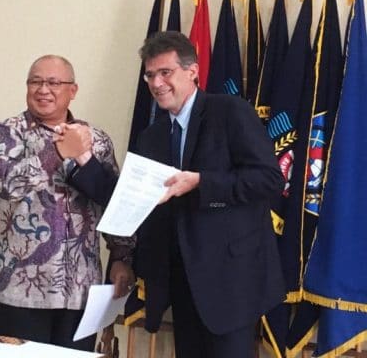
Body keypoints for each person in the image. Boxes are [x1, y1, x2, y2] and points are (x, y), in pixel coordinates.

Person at [68, 31, 286, 357]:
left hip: (231, 283)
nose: (156, 83)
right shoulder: (152, 137)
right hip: (180, 283)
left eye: (165, 72)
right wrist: (83, 158)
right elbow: (127, 198)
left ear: (192, 71)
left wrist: (201, 183)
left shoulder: (229, 112)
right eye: (150, 75)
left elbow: (269, 180)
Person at [0, 55, 135, 351]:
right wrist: (57, 152)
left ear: (72, 90)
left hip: (81, 289)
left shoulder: (96, 139)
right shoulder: (9, 132)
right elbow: (6, 184)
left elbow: (113, 202)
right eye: (35, 82)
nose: (43, 90)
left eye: (53, 83)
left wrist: (122, 257)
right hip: (22, 289)